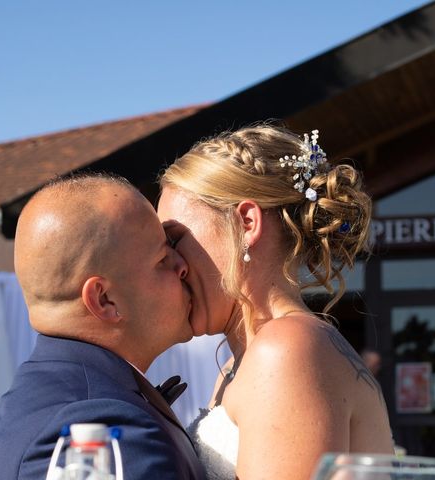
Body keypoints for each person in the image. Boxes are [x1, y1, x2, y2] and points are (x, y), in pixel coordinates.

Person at [158, 125, 394, 480]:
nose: (170, 264)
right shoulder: (238, 364)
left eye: (175, 240)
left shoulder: (285, 350)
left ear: (247, 223)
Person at [0, 173, 205, 479]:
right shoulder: (99, 424)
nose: (182, 265)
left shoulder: (55, 399)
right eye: (163, 258)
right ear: (104, 299)